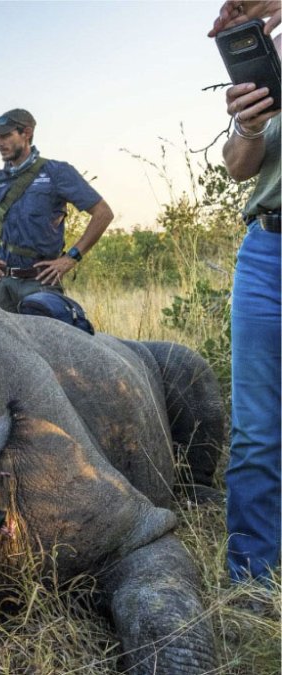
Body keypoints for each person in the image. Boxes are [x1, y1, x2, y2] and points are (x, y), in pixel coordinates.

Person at [216, 5, 281, 584]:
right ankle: (252, 582)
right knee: (257, 428)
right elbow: (238, 168)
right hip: (267, 250)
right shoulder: (261, 54)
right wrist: (250, 128)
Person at [0, 109, 114, 312]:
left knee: (47, 342)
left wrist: (70, 259)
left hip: (41, 283)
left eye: (5, 136)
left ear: (27, 133)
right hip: (2, 285)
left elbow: (103, 213)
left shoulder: (56, 172)